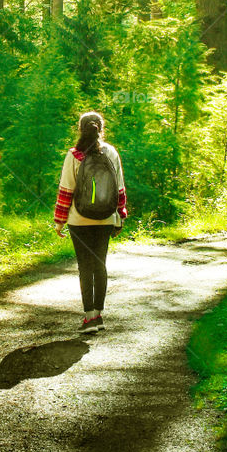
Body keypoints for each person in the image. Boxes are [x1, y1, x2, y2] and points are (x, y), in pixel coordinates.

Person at [53, 111, 127, 332]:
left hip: (79, 220)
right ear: (101, 129)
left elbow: (66, 190)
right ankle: (99, 315)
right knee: (100, 265)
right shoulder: (111, 153)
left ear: (80, 129)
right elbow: (120, 187)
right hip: (105, 219)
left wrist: (59, 221)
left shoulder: (74, 155)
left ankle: (89, 318)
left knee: (85, 267)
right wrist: (120, 216)